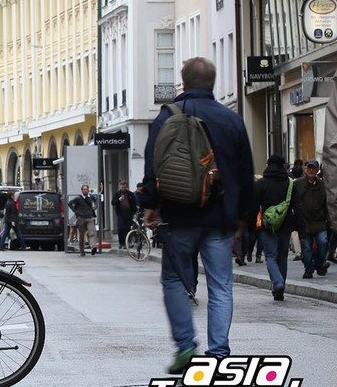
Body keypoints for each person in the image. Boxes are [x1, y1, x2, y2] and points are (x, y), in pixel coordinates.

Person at [141, 57, 255, 374]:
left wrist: (150, 204)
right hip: (220, 219)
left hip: (178, 215)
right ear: (213, 84)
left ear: (184, 83)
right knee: (220, 285)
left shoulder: (167, 116)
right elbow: (246, 173)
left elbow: (153, 166)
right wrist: (244, 214)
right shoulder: (230, 120)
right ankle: (218, 354)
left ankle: (186, 346)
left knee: (174, 280)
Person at [255, 155, 295, 300]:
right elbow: (297, 206)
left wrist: (249, 224)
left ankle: (277, 283)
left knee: (271, 256)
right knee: (282, 257)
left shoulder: (262, 183)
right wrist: (300, 227)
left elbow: (254, 205)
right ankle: (280, 287)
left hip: (268, 225)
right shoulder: (290, 183)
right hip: (285, 225)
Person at [292, 159, 329, 279]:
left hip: (319, 221)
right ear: (305, 169)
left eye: (314, 168)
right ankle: (308, 269)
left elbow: (327, 203)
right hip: (304, 222)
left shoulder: (322, 185)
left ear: (317, 170)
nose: (311, 170)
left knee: (323, 242)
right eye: (309, 168)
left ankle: (319, 263)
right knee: (306, 248)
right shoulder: (298, 184)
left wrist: (328, 219)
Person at [69, 184, 98, 256]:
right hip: (81, 218)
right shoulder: (78, 198)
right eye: (84, 189)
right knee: (81, 235)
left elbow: (96, 200)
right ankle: (82, 251)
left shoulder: (91, 197)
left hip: (90, 217)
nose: (85, 190)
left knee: (92, 233)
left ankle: (92, 247)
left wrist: (95, 206)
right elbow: (69, 203)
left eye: (87, 189)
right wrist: (75, 211)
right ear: (82, 190)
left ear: (88, 190)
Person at [112, 180, 136, 249]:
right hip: (120, 214)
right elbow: (113, 202)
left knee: (128, 228)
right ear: (120, 187)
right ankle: (121, 242)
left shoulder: (130, 194)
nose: (123, 189)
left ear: (127, 187)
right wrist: (118, 200)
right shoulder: (117, 194)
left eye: (125, 187)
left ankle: (127, 242)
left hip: (129, 213)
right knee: (120, 228)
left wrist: (134, 212)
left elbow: (134, 204)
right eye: (122, 187)